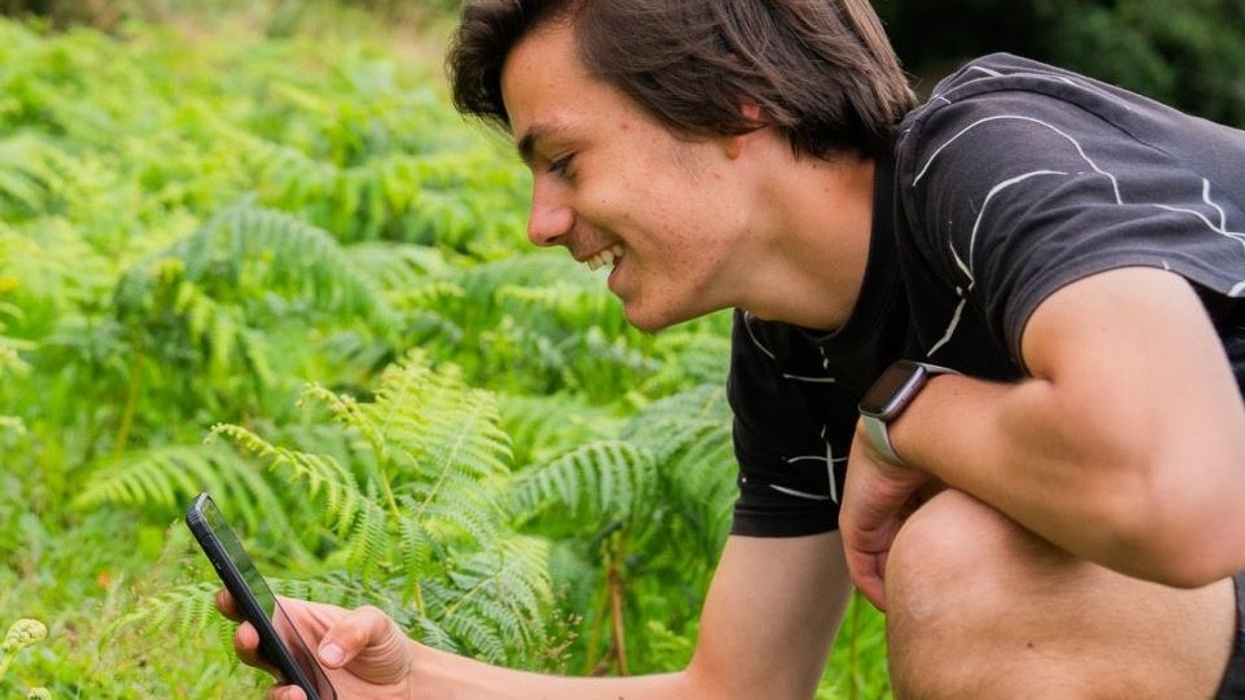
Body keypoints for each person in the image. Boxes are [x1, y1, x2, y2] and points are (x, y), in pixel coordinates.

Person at [218, 0, 1245, 697]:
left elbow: (1184, 495)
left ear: (731, 100)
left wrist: (902, 419)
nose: (541, 221)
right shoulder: (791, 340)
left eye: (565, 160)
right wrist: (409, 680)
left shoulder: (994, 161)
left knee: (971, 559)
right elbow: (737, 688)